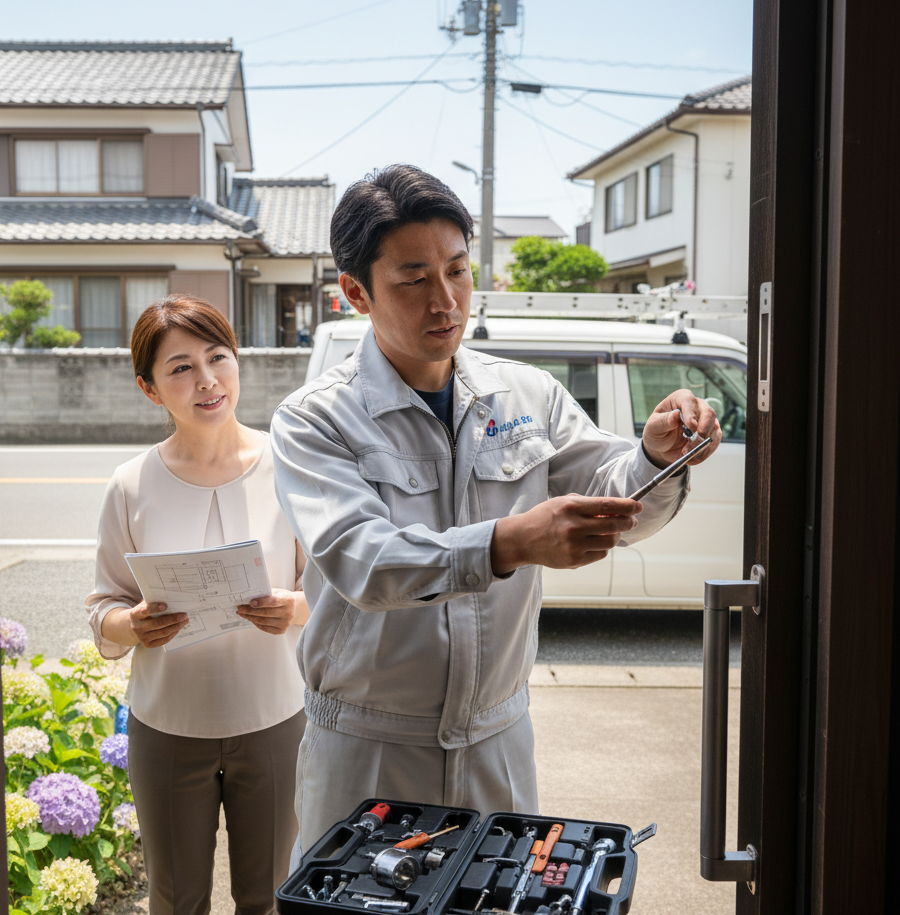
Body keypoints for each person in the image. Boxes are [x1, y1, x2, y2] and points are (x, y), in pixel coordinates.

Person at [270, 165, 722, 850]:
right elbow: (364, 562)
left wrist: (656, 457)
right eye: (414, 279)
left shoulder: (525, 396)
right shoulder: (317, 419)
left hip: (497, 739)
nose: (445, 300)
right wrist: (509, 542)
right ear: (356, 292)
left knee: (495, 893)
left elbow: (617, 491)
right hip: (369, 746)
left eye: (457, 270)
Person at [86, 295, 309, 915]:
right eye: (181, 368)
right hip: (167, 725)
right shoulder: (131, 484)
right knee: (175, 898)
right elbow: (103, 606)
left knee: (268, 897)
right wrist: (132, 625)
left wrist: (292, 608)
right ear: (150, 388)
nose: (207, 380)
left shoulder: (290, 466)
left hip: (273, 717)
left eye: (218, 358)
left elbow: (331, 591)